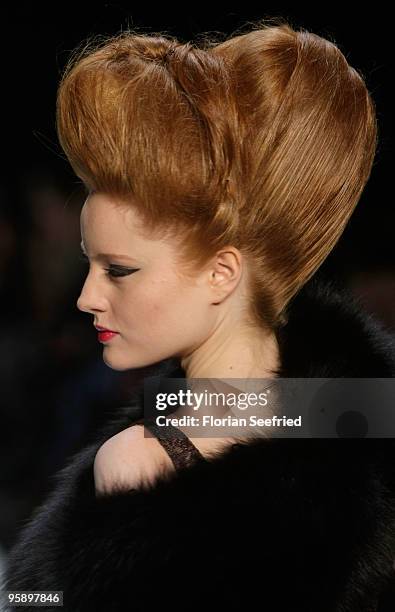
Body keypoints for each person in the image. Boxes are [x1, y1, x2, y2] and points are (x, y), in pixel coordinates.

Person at [2, 17, 395, 611]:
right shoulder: (363, 425)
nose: (86, 297)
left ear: (222, 272)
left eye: (120, 269)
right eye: (89, 263)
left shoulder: (139, 462)